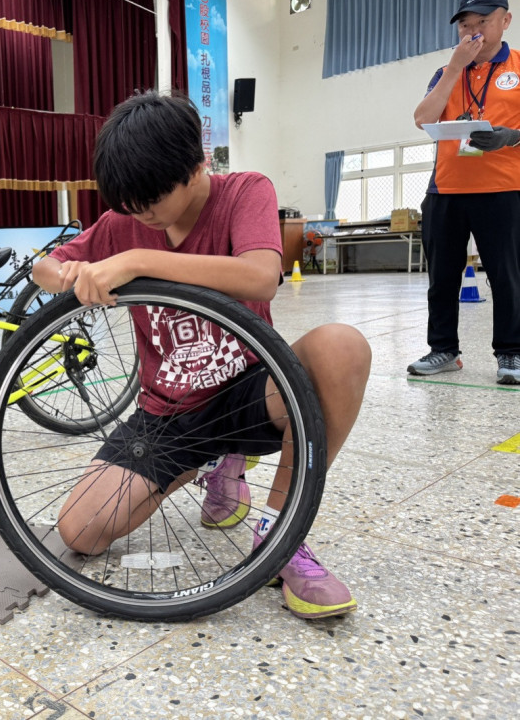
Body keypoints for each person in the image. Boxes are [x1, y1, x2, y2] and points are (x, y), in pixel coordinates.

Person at [31, 91, 371, 620]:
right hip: (169, 412)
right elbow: (45, 268)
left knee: (342, 348)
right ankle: (213, 460)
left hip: (250, 390)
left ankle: (280, 534)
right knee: (81, 531)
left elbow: (261, 275)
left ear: (197, 165)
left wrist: (139, 260)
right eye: (130, 206)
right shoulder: (127, 219)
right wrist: (69, 274)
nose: (141, 217)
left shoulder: (245, 192)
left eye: (152, 202)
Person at [408, 0, 520, 385]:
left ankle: (511, 353)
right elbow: (422, 118)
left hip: (503, 190)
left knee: (507, 275)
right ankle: (443, 350)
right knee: (442, 277)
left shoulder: (519, 68)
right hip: (446, 191)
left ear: (505, 21)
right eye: (465, 26)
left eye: (482, 23)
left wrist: (513, 136)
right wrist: (455, 67)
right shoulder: (445, 72)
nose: (472, 32)